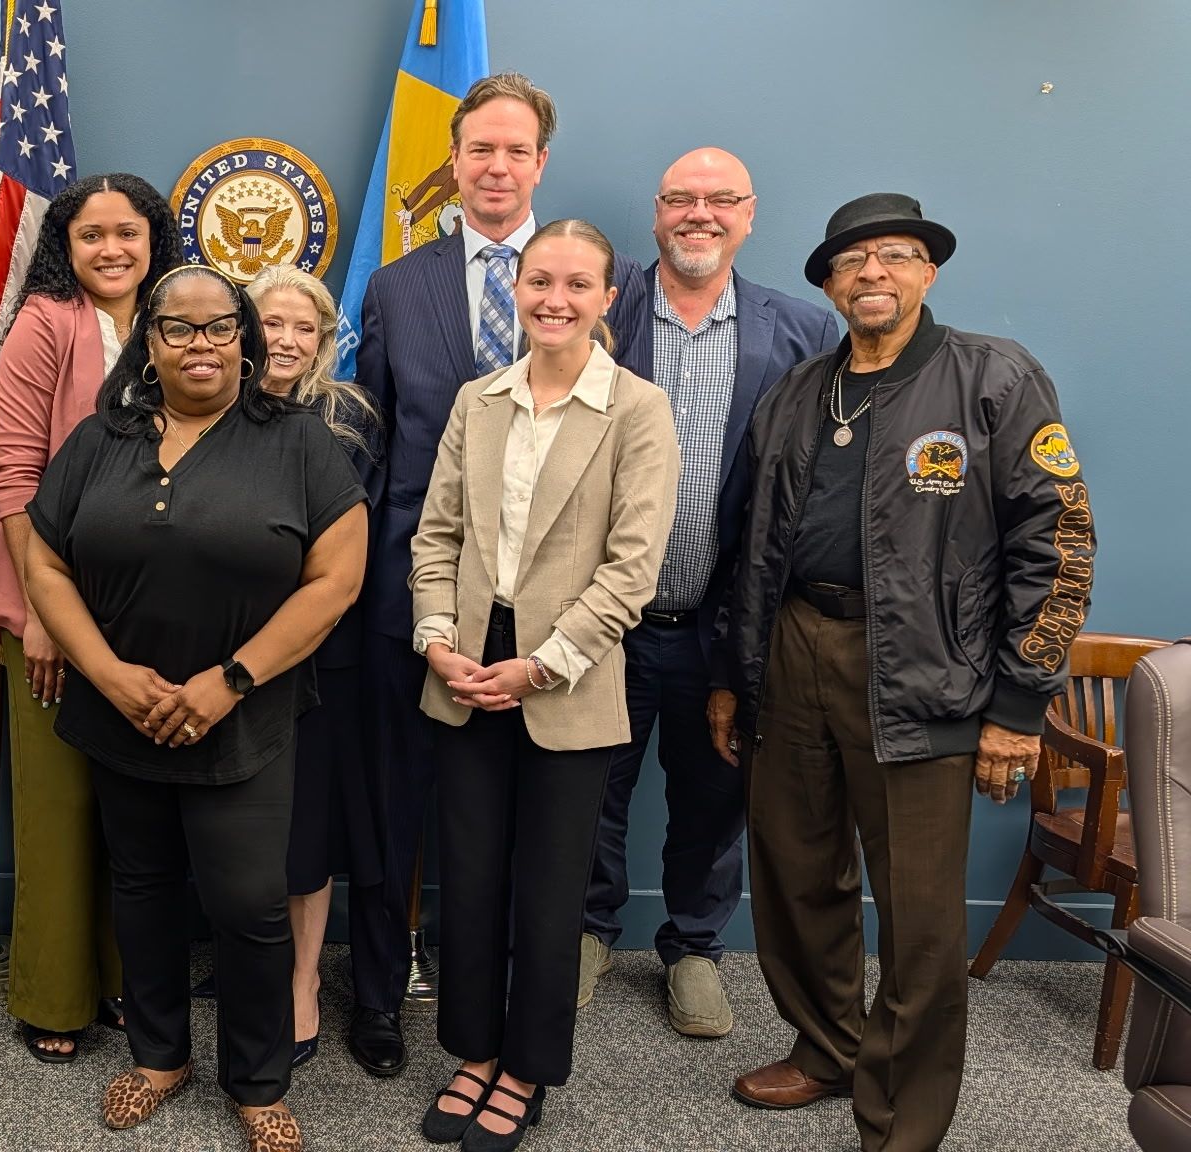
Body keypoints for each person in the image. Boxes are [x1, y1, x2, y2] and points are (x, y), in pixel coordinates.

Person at [710, 193, 1094, 1150]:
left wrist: (1017, 705)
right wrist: (735, 674)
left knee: (920, 919)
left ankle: (901, 1116)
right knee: (797, 875)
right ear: (830, 285)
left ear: (929, 272)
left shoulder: (993, 380)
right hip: (796, 655)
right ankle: (827, 1050)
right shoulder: (799, 392)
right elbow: (745, 545)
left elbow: (1061, 543)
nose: (871, 273)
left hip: (933, 674)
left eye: (894, 255)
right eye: (851, 261)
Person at [23, 264, 366, 1152]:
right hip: (121, 711)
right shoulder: (104, 437)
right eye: (179, 328)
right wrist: (105, 672)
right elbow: (46, 562)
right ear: (151, 342)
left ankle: (256, 1081)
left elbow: (337, 580)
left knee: (249, 904)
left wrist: (231, 681)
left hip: (246, 718)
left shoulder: (298, 441)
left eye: (220, 328)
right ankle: (159, 1056)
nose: (201, 343)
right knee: (141, 887)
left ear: (247, 342)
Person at [350, 72, 649, 1077]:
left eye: (514, 151)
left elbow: (615, 474)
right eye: (478, 148)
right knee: (401, 819)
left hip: (554, 623)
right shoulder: (396, 286)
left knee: (531, 851)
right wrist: (424, 620)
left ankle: (512, 1041)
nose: (493, 166)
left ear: (538, 164)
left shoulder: (587, 277)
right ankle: (382, 998)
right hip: (420, 610)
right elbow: (382, 452)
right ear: (453, 157)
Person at [410, 220, 678, 1151]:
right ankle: (474, 1053)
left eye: (577, 284)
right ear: (515, 290)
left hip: (565, 680)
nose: (554, 300)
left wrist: (538, 666)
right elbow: (437, 535)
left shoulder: (638, 410)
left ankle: (526, 1069)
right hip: (466, 671)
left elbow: (630, 571)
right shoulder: (477, 400)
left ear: (610, 297)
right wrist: (439, 641)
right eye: (538, 281)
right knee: (472, 879)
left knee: (551, 891)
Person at [577, 148, 838, 1035]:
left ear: (750, 215)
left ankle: (692, 948)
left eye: (720, 200)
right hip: (604, 619)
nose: (701, 214)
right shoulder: (601, 308)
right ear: (656, 215)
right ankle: (587, 930)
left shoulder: (801, 332)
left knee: (714, 798)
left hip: (723, 626)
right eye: (682, 199)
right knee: (590, 789)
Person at [0, 172, 179, 1061]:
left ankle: (126, 984)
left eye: (128, 232)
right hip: (47, 598)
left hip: (153, 606)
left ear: (155, 238)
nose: (112, 249)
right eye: (91, 235)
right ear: (66, 245)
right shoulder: (44, 324)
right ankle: (53, 999)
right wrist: (42, 611)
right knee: (56, 808)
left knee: (135, 809)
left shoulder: (184, 325)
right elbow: (14, 474)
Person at [244, 264, 379, 1071]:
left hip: (320, 655)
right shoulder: (213, 407)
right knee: (238, 817)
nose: (287, 341)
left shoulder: (350, 420)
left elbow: (337, 548)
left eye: (306, 328)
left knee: (305, 824)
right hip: (223, 653)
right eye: (272, 323)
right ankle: (248, 966)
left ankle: (300, 982)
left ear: (326, 341)